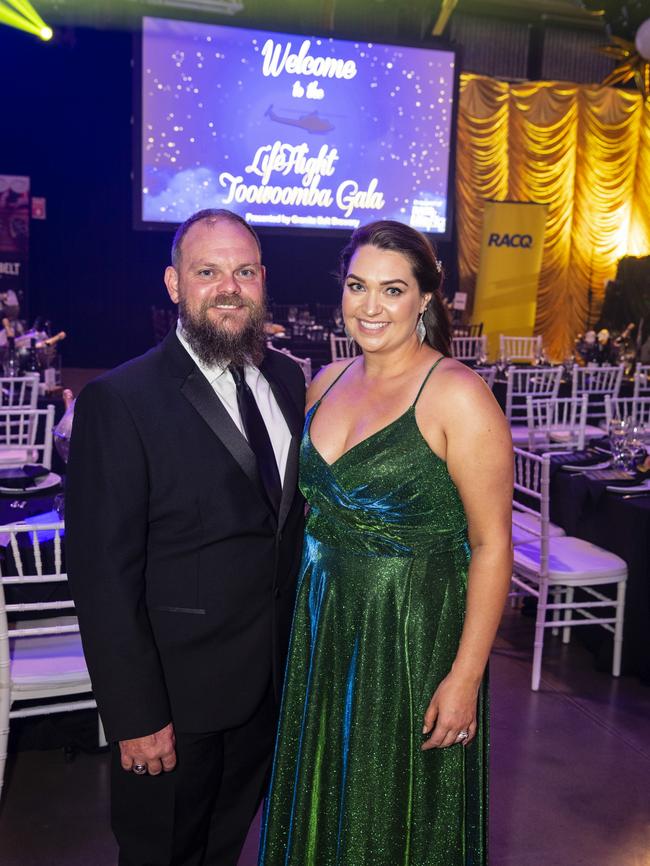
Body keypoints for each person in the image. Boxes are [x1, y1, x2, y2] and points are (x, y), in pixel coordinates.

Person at [258, 220, 513, 866]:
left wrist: (465, 677)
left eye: (392, 290)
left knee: (395, 813)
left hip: (409, 641)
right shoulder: (326, 382)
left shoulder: (458, 396)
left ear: (425, 299)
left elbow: (491, 546)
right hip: (324, 633)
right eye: (356, 286)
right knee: (325, 794)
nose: (369, 306)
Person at [65, 209, 306, 866]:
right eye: (208, 271)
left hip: (266, 690)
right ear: (175, 284)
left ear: (262, 281)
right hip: (172, 702)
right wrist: (135, 715)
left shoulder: (288, 380)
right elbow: (101, 574)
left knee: (223, 848)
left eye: (244, 271)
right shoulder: (121, 400)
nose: (229, 287)